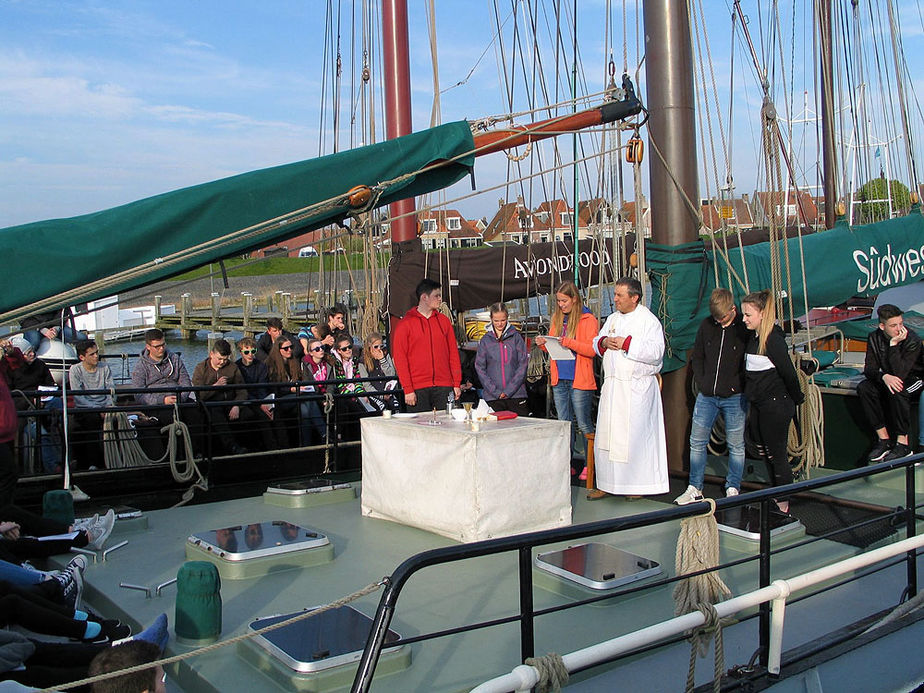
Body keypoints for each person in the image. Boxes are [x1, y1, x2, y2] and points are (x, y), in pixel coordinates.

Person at [589, 277, 668, 498]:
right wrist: (604, 342)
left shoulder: (648, 321)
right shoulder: (613, 318)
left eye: (619, 295)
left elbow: (656, 353)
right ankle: (607, 482)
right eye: (615, 295)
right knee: (608, 437)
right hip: (613, 387)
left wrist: (627, 343)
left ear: (634, 297)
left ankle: (636, 486)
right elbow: (596, 341)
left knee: (635, 437)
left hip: (636, 389)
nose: (615, 299)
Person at [675, 289, 749, 505]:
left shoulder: (743, 330)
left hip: (734, 397)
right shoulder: (707, 326)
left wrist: (739, 385)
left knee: (736, 444)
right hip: (707, 395)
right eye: (716, 317)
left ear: (732, 309)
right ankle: (695, 487)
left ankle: (733, 486)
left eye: (723, 317)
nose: (719, 321)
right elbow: (697, 356)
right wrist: (703, 379)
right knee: (697, 441)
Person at [741, 289, 805, 513]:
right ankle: (774, 492)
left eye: (748, 315)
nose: (744, 319)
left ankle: (783, 502)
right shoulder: (754, 338)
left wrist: (797, 398)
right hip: (759, 404)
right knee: (765, 450)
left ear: (761, 314)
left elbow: (788, 373)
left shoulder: (773, 340)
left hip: (776, 404)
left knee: (777, 453)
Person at [534, 281, 598, 462]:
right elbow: (555, 344)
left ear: (574, 299)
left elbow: (591, 350)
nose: (561, 305)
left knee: (583, 422)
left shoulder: (588, 319)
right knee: (564, 423)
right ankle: (567, 462)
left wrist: (569, 342)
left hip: (579, 378)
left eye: (564, 301)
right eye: (559, 301)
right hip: (560, 377)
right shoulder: (557, 317)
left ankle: (591, 464)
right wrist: (544, 345)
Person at [857, 303, 923, 463]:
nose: (899, 329)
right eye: (893, 325)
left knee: (898, 388)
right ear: (882, 326)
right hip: (890, 377)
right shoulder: (874, 338)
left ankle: (903, 443)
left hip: (915, 379)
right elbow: (869, 369)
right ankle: (884, 440)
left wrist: (893, 345)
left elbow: (901, 373)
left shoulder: (912, 340)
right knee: (865, 388)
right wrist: (884, 377)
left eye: (900, 324)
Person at [391, 278, 462, 413]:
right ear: (424, 297)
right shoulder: (405, 324)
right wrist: (408, 389)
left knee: (447, 427)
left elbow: (453, 353)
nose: (440, 299)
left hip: (444, 385)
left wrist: (456, 383)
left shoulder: (444, 322)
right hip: (417, 388)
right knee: (420, 429)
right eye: (437, 295)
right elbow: (400, 359)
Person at [130, 329, 203, 454]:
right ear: (148, 347)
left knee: (195, 414)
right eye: (157, 346)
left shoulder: (174, 359)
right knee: (170, 418)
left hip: (178, 398)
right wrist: (162, 400)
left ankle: (197, 451)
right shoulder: (141, 366)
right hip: (157, 403)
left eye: (163, 345)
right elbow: (139, 394)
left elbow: (185, 381)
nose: (161, 349)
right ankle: (176, 454)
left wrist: (181, 397)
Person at [191, 339, 248, 456]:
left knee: (249, 414)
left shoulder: (232, 368)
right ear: (211, 354)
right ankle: (230, 446)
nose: (222, 362)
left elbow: (242, 390)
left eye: (225, 359)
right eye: (219, 359)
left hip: (229, 402)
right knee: (215, 414)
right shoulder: (201, 368)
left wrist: (237, 404)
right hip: (209, 404)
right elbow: (198, 394)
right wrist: (215, 386)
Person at [475, 302, 529, 416]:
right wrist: (494, 391)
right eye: (496, 321)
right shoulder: (485, 341)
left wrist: (509, 390)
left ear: (507, 318)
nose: (500, 324)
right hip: (493, 397)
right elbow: (480, 367)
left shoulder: (516, 338)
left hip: (516, 395)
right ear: (491, 319)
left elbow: (523, 365)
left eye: (503, 320)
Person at [266, 335, 323, 445]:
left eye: (291, 347)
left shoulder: (294, 361)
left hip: (297, 397)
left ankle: (306, 443)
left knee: (304, 408)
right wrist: (291, 389)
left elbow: (301, 379)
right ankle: (323, 433)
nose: (289, 350)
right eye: (286, 348)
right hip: (281, 399)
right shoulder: (271, 364)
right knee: (306, 399)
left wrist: (300, 387)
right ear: (278, 350)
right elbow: (274, 388)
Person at [69, 339, 114, 470]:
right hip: (86, 409)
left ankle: (110, 460)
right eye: (92, 354)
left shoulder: (104, 367)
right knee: (89, 421)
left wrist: (107, 406)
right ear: (82, 357)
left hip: (105, 407)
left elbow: (111, 390)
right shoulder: (75, 370)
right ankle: (94, 463)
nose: (96, 356)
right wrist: (97, 409)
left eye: (97, 353)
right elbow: (79, 397)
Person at [234, 337, 278, 450]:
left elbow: (262, 388)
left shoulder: (261, 366)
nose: (250, 355)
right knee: (254, 416)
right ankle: (262, 447)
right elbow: (242, 389)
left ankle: (275, 447)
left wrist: (264, 403)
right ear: (241, 352)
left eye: (253, 351)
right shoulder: (236, 367)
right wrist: (260, 404)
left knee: (274, 414)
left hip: (259, 399)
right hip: (245, 399)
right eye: (247, 352)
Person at [356, 332, 399, 413]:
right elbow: (366, 385)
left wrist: (382, 360)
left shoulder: (386, 355)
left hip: (389, 392)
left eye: (381, 346)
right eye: (376, 347)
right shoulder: (363, 361)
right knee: (382, 408)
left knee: (396, 406)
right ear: (369, 347)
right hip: (374, 394)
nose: (379, 349)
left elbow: (391, 375)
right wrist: (381, 395)